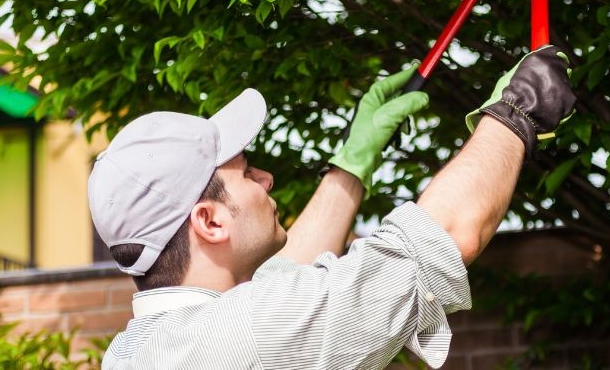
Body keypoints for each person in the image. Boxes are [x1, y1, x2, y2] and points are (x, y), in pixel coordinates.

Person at [88, 45, 575, 369]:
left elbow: (285, 282)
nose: (265, 179)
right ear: (210, 221)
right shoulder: (249, 335)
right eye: (245, 173)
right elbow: (440, 242)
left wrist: (352, 162)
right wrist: (516, 112)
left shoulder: (137, 350)